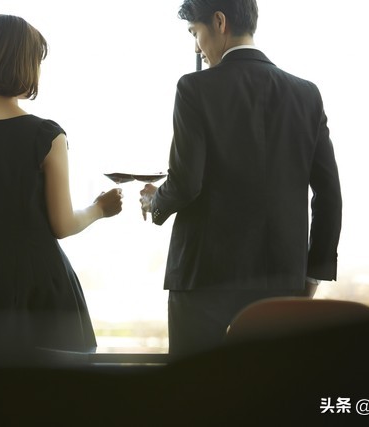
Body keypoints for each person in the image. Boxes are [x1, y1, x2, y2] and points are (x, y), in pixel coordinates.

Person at [140, 0, 342, 358]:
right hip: (281, 279)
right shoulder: (306, 94)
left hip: (203, 276)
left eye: (195, 33)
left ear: (219, 22)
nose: (197, 47)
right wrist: (313, 274)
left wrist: (155, 201)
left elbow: (186, 182)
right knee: (269, 388)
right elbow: (329, 195)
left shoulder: (193, 88)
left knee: (195, 386)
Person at [0, 14, 122, 367]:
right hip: (43, 290)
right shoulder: (45, 135)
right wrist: (100, 208)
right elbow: (62, 225)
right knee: (51, 397)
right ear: (26, 64)